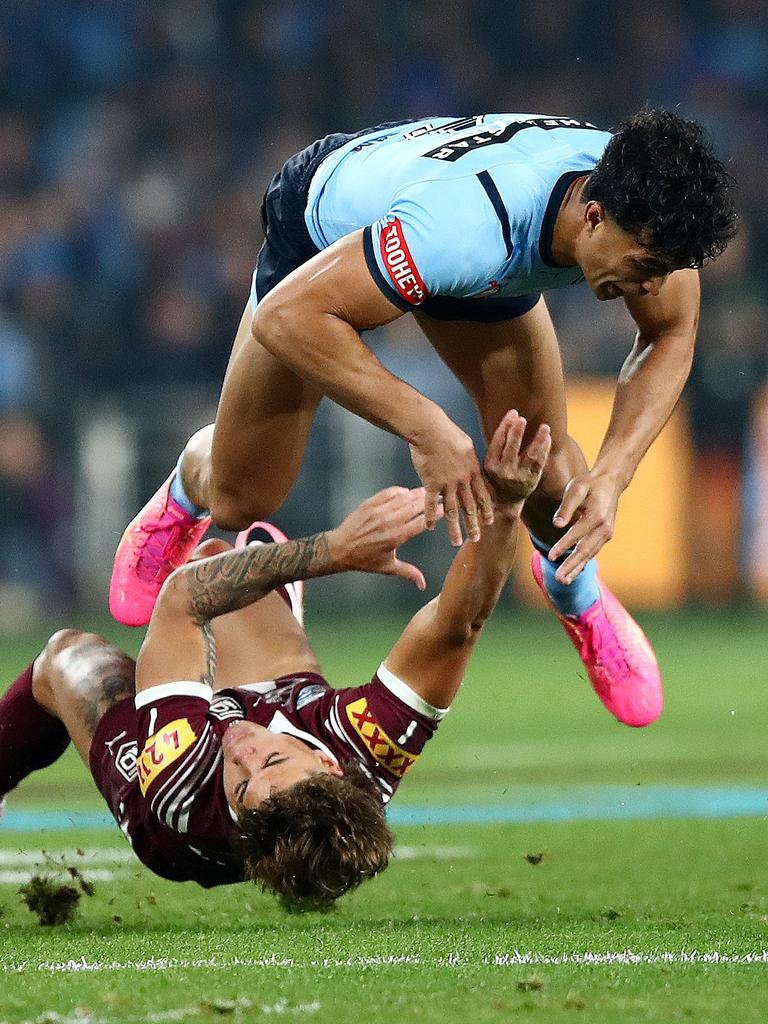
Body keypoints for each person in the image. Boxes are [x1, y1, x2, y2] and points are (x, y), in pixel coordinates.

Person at [109, 108, 737, 729]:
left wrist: (612, 476)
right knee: (243, 497)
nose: (651, 289)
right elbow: (286, 318)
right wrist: (427, 426)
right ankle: (193, 481)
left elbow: (670, 334)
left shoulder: (651, 203)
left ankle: (577, 594)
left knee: (547, 466)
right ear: (593, 216)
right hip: (324, 238)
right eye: (643, 270)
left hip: (460, 246)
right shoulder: (464, 228)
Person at [1, 413, 550, 907]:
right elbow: (461, 623)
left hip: (169, 807)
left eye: (242, 784)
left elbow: (182, 601)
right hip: (275, 705)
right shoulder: (369, 745)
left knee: (67, 654)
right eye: (271, 762)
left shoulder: (180, 784)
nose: (241, 751)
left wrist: (335, 551)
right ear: (331, 764)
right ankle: (195, 512)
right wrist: (506, 504)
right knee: (219, 557)